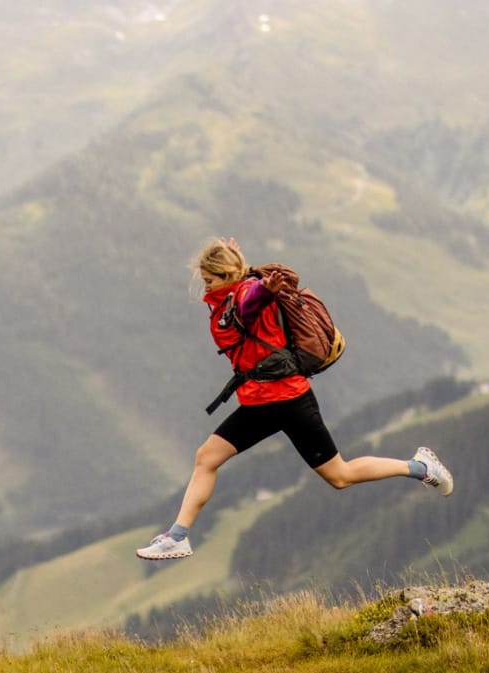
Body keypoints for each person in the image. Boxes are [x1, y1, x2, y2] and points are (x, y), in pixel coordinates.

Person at [137, 236, 453, 561]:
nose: (204, 285)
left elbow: (251, 302)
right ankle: (177, 537)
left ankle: (420, 467)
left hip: (287, 401)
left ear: (227, 275)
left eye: (209, 279)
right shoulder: (232, 294)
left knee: (340, 476)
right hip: (260, 402)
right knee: (206, 458)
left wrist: (265, 290)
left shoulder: (245, 295)